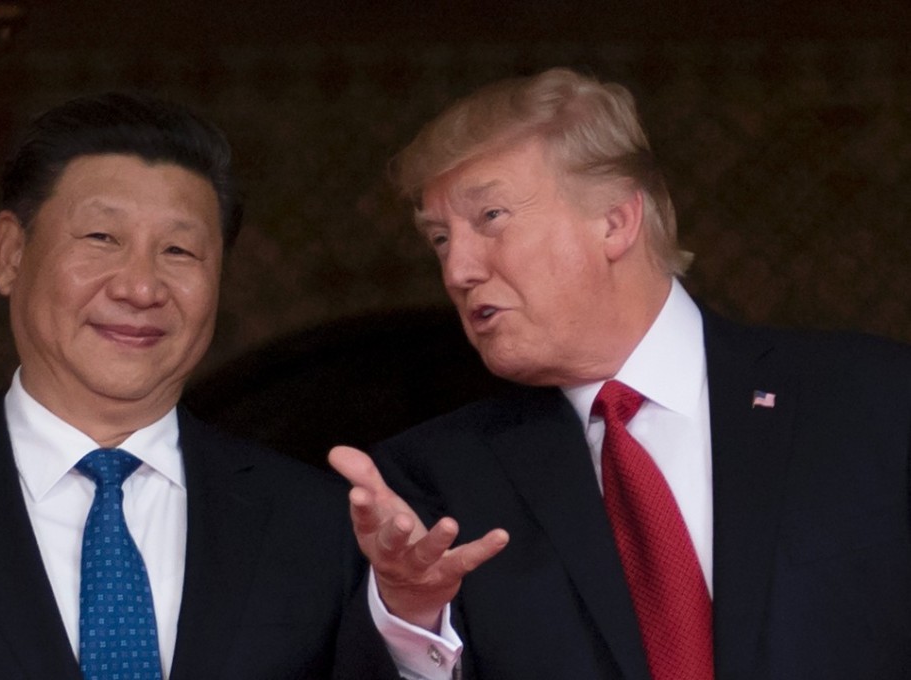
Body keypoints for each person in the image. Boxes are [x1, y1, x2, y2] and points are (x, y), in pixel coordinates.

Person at [330, 67, 911, 680]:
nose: (458, 270)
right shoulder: (433, 484)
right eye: (441, 239)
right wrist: (413, 620)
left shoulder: (876, 400)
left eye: (491, 216)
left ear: (614, 221)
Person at [0, 92, 407, 680]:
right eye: (101, 238)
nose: (141, 289)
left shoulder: (318, 528)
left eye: (179, 250)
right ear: (10, 253)